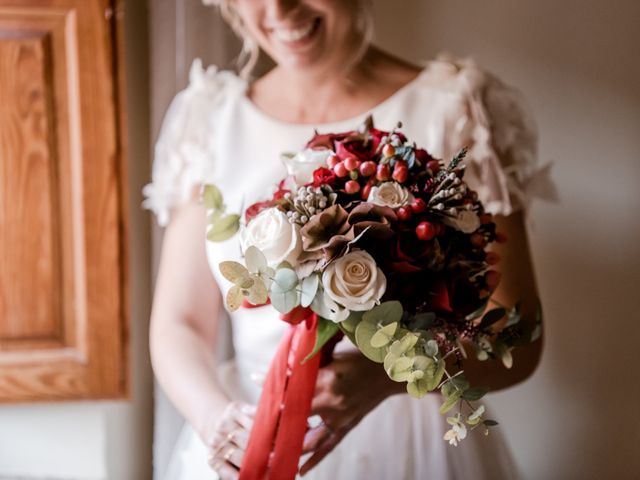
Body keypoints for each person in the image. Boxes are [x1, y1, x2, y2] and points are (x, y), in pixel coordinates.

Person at [144, 0, 546, 478]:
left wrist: (385, 377)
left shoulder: (458, 110)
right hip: (250, 432)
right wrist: (216, 419)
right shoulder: (209, 119)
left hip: (417, 451)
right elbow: (179, 322)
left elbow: (519, 339)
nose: (279, 8)